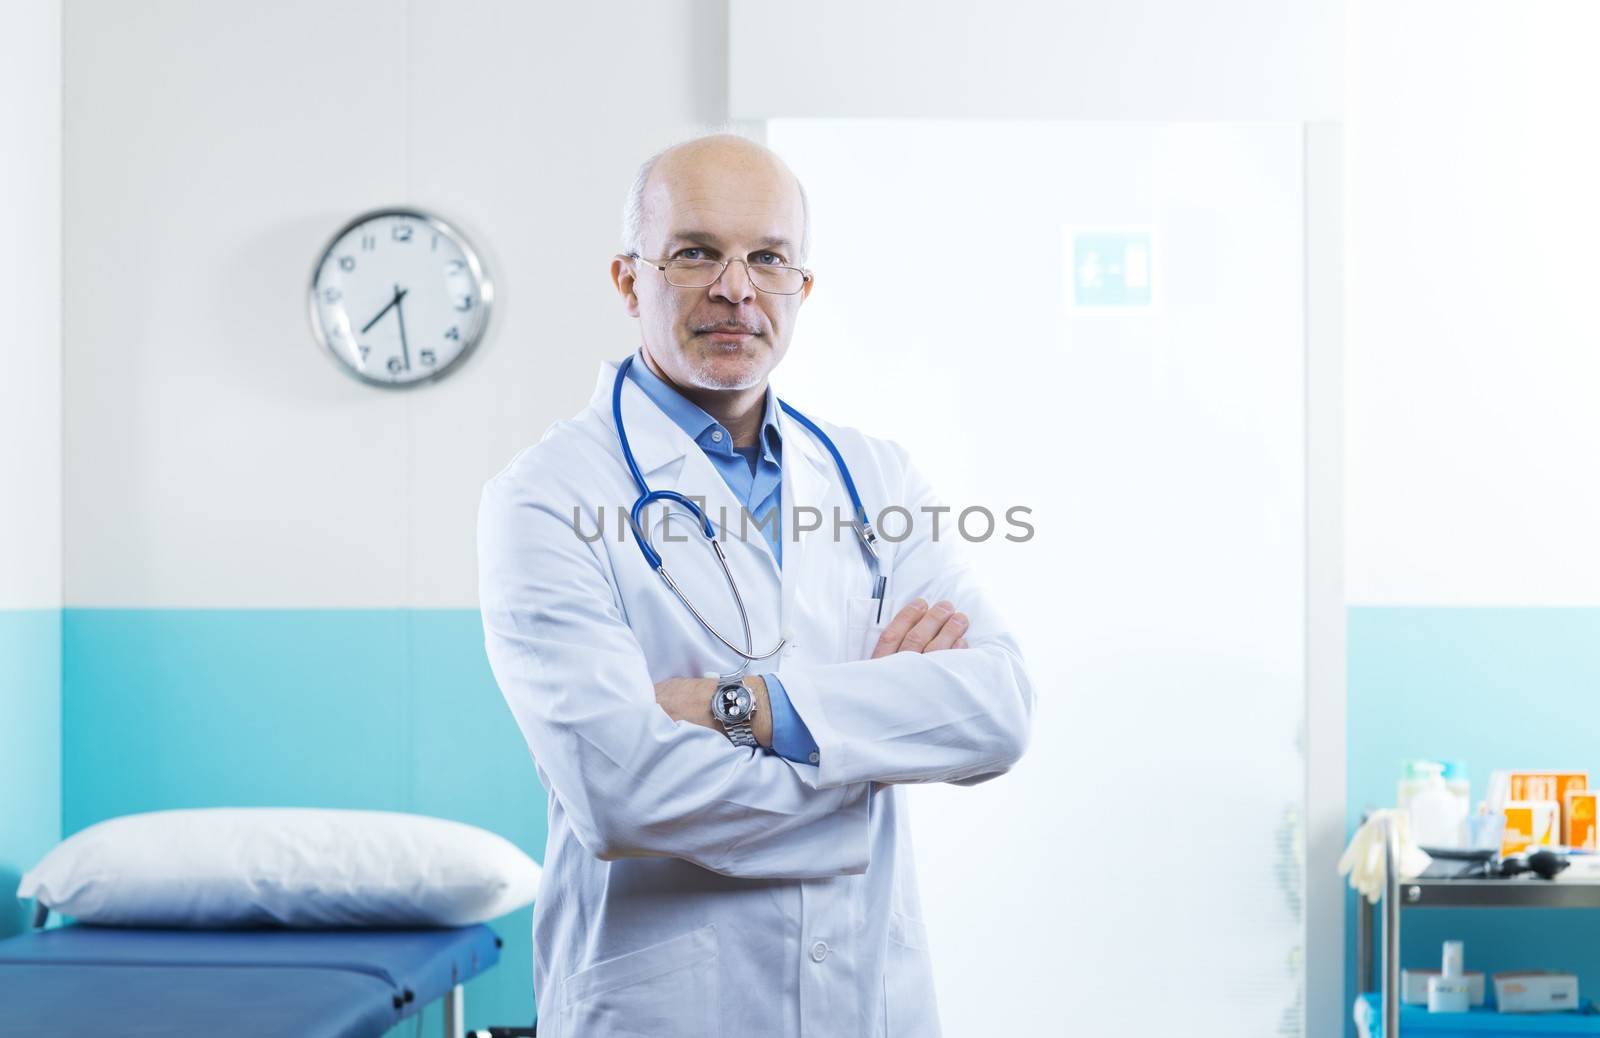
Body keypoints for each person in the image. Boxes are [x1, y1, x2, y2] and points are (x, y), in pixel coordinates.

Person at [477, 132, 1034, 1038]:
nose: (735, 287)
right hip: (672, 1008)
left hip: (870, 996)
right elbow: (620, 792)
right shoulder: (544, 498)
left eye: (768, 258)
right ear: (628, 280)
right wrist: (874, 757)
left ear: (801, 288)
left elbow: (1000, 708)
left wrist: (744, 708)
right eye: (695, 252)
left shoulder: (874, 477)